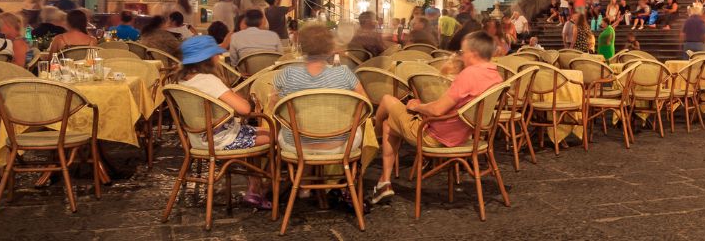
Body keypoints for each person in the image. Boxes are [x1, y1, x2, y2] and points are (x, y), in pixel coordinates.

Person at [367, 30, 504, 209]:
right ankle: (383, 182)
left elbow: (438, 110)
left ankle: (371, 140)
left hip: (434, 137)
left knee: (387, 100)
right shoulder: (496, 75)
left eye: (463, 52)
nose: (462, 57)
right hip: (463, 135)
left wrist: (416, 106)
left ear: (474, 53)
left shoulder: (469, 75)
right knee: (389, 124)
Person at [174, 34, 272, 208]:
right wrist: (233, 94)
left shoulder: (183, 80)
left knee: (252, 132)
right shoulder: (209, 80)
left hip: (199, 139)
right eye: (216, 54)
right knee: (276, 137)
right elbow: (244, 109)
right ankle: (264, 188)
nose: (219, 57)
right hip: (222, 140)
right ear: (208, 59)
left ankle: (254, 188)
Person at [273, 23, 360, 152]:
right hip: (340, 144)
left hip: (295, 145)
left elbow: (273, 107)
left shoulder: (287, 74)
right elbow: (364, 105)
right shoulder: (344, 73)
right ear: (330, 48)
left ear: (301, 47)